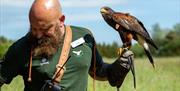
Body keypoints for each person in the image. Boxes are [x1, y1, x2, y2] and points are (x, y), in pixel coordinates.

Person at [0, 0, 134, 91]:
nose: (38, 35)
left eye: (45, 29)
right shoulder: (21, 48)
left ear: (61, 20)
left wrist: (115, 69)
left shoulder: (85, 37)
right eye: (33, 28)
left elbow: (97, 71)